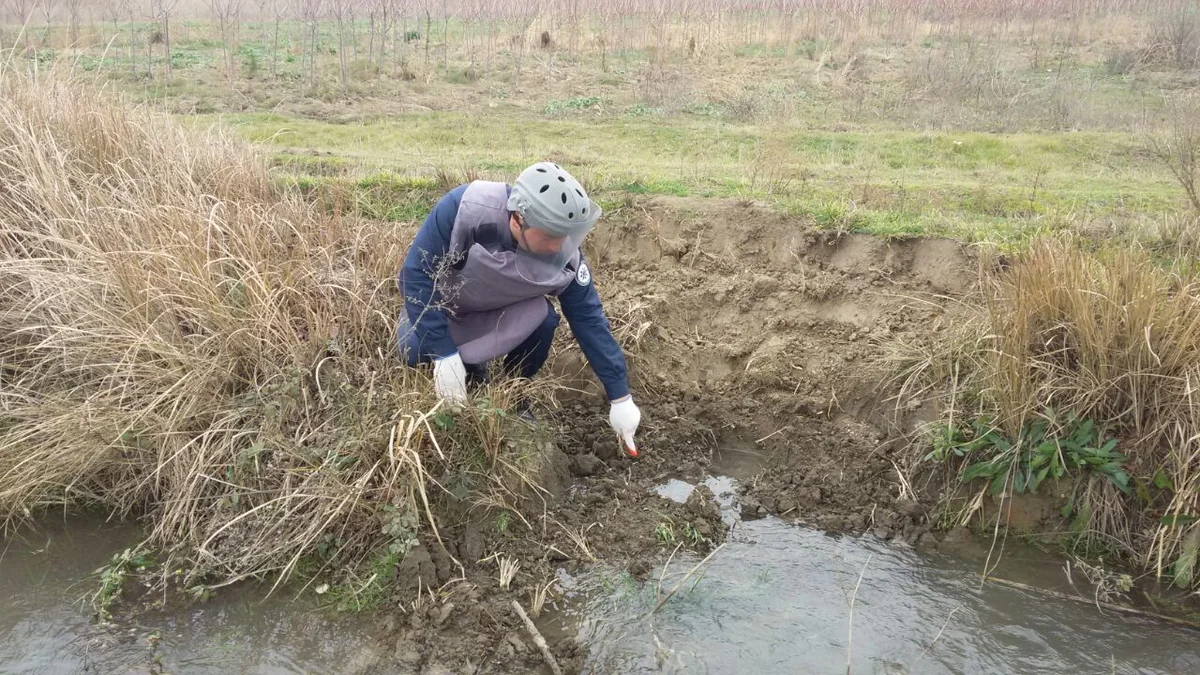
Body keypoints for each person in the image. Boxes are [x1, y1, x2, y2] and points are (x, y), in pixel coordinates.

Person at [396, 162, 641, 454]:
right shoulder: (466, 209)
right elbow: (414, 274)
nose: (558, 246)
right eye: (550, 236)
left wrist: (619, 395)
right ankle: (466, 366)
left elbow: (588, 318)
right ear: (517, 219)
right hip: (448, 312)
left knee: (544, 319)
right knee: (412, 353)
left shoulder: (565, 253)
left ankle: (514, 394)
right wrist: (443, 353)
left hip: (499, 313)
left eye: (566, 236)